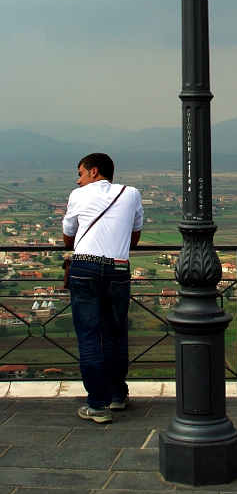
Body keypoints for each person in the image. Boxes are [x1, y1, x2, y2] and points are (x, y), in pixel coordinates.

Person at [62, 152, 143, 423]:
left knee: (89, 336)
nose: (78, 180)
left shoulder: (78, 196)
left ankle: (97, 405)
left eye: (81, 174)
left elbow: (68, 235)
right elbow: (135, 236)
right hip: (119, 267)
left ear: (94, 172)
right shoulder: (131, 194)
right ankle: (117, 395)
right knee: (116, 333)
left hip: (85, 267)